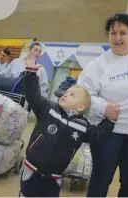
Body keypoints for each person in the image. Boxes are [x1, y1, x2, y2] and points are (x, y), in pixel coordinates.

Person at [77, 13, 128, 197]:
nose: (117, 38)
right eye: (113, 33)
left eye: (123, 32)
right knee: (101, 180)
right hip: (110, 132)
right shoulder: (98, 65)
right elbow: (81, 96)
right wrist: (103, 107)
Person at [19, 65, 115, 197]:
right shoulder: (48, 108)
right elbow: (33, 95)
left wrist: (109, 121)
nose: (65, 94)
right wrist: (30, 72)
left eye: (72, 95)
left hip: (55, 177)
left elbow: (97, 134)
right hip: (32, 171)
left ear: (81, 106)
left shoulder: (82, 126)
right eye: (66, 92)